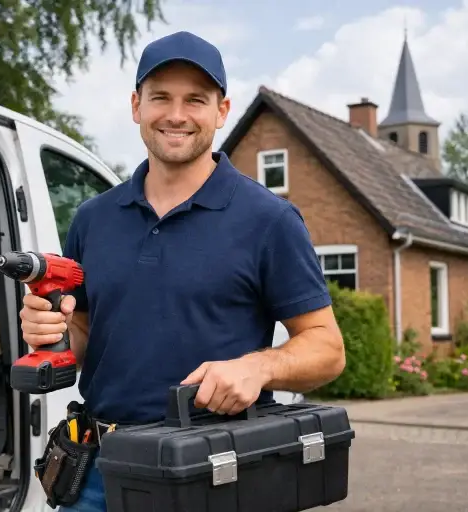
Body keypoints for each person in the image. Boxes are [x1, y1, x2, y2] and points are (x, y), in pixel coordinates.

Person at [20, 30, 346, 512]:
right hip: (99, 473)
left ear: (221, 110)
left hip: (214, 472)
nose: (176, 115)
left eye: (195, 99)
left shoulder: (269, 220)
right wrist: (52, 332)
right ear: (136, 106)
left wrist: (257, 367)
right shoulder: (93, 218)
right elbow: (86, 331)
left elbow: (328, 349)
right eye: (161, 97)